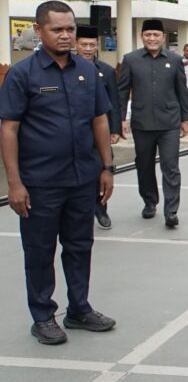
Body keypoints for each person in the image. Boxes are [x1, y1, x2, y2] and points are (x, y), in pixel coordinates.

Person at [0, 1, 116, 344]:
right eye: (57, 30)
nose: (66, 36)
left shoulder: (87, 71)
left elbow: (99, 119)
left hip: (82, 178)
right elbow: (8, 129)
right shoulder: (22, 75)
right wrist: (15, 183)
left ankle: (79, 308)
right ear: (38, 31)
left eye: (70, 29)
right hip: (40, 182)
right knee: (39, 251)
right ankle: (43, 315)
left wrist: (106, 167)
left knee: (80, 246)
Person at [117, 18, 188, 227]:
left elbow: (181, 90)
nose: (152, 38)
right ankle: (150, 202)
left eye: (156, 35)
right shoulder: (130, 60)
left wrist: (185, 118)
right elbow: (122, 91)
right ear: (142, 37)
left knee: (171, 166)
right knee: (144, 165)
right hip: (142, 124)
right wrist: (121, 119)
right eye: (147, 34)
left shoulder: (175, 60)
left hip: (170, 123)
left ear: (163, 37)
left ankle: (171, 211)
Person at [75, 25, 121, 230]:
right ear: (76, 45)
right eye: (83, 44)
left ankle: (101, 208)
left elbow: (114, 102)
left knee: (103, 167)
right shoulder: (67, 68)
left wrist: (115, 129)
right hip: (76, 131)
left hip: (100, 132)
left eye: (91, 45)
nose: (87, 48)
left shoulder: (107, 71)